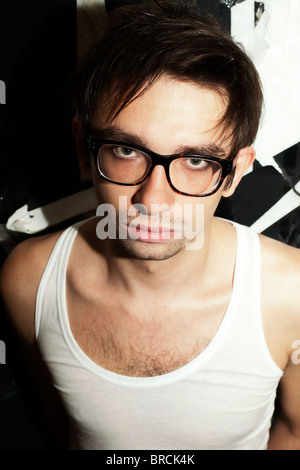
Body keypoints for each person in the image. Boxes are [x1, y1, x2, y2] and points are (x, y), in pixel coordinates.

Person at [1, 0, 300, 451]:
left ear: (236, 173)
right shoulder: (27, 281)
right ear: (85, 149)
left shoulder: (292, 293)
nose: (153, 201)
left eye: (196, 160)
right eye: (126, 151)